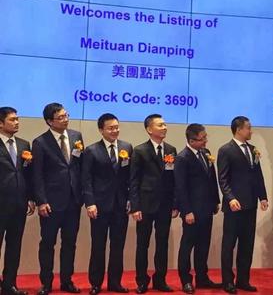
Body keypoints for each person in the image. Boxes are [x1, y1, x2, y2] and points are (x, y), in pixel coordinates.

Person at [32, 103, 84, 295]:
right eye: (60, 117)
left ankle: (66, 280)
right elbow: (37, 175)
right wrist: (41, 201)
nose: (65, 119)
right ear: (49, 121)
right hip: (51, 203)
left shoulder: (76, 136)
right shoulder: (40, 142)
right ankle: (46, 283)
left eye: (66, 115)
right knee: (48, 243)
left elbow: (79, 167)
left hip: (73, 200)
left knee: (70, 243)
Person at [81, 113, 133, 295]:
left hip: (120, 205)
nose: (115, 131)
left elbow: (130, 177)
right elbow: (86, 179)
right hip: (99, 205)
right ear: (101, 130)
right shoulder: (91, 150)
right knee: (98, 245)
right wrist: (90, 203)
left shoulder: (127, 147)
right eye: (110, 128)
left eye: (117, 127)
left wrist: (130, 199)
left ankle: (115, 282)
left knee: (118, 246)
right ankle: (95, 283)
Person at [217, 116, 268, 294]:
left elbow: (258, 176)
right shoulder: (226, 150)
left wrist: (263, 197)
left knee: (247, 244)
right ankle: (227, 281)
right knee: (229, 244)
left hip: (250, 204)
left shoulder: (253, 150)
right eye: (248, 128)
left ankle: (243, 280)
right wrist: (230, 198)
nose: (251, 131)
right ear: (238, 129)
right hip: (234, 206)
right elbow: (222, 179)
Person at [129, 114, 179, 294]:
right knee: (143, 244)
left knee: (162, 243)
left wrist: (175, 204)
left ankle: (160, 279)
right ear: (149, 129)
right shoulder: (140, 150)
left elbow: (173, 179)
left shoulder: (171, 150)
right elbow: (133, 181)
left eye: (165, 124)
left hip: (165, 205)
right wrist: (135, 207)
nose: (164, 127)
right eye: (160, 125)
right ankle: (142, 280)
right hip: (145, 205)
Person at [174, 123, 221, 294]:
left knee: (203, 245)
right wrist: (187, 211)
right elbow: (180, 187)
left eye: (205, 137)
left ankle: (202, 277)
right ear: (192, 141)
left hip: (207, 208)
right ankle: (186, 280)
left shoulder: (206, 153)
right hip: (192, 211)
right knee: (187, 245)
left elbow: (212, 178)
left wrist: (216, 200)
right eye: (202, 139)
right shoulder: (182, 158)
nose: (205, 141)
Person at [0, 107, 35, 295]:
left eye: (17, 119)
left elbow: (28, 174)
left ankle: (9, 284)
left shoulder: (23, 144)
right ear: (0, 123)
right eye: (12, 119)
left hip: (19, 203)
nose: (17, 122)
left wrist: (30, 197)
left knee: (14, 245)